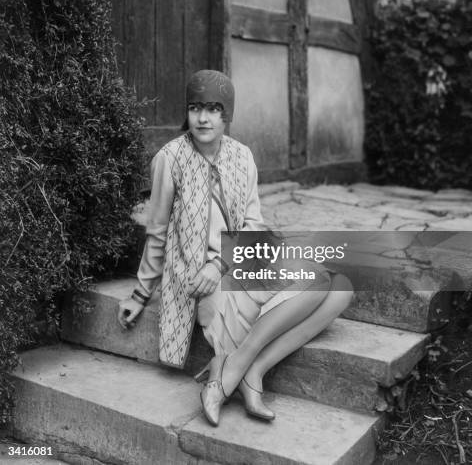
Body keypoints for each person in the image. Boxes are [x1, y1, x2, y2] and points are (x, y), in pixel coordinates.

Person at [118, 69, 353, 426]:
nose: (203, 118)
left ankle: (244, 368)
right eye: (195, 108)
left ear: (227, 114)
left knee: (340, 289)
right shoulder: (170, 158)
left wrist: (223, 262)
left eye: (214, 109)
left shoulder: (243, 156)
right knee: (322, 284)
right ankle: (243, 371)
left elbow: (255, 224)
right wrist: (139, 295)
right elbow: (157, 232)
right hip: (205, 286)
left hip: (240, 264)